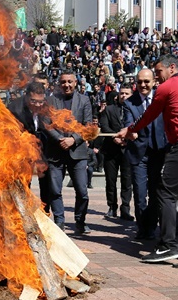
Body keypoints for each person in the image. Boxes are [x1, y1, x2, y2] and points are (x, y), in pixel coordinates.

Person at [117, 55, 178, 263]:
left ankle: (167, 245)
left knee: (165, 191)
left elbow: (150, 114)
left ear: (171, 68)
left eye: (159, 71)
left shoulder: (166, 87)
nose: (157, 76)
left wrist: (130, 129)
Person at [122, 68, 168, 240]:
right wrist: (130, 131)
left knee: (156, 191)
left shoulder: (161, 98)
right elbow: (128, 123)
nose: (143, 85)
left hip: (158, 151)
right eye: (139, 81)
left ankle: (152, 224)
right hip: (138, 153)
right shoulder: (129, 103)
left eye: (146, 81)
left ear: (154, 81)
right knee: (140, 193)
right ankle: (143, 228)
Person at [46, 70, 93, 234]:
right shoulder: (51, 100)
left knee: (82, 191)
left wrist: (73, 139)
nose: (66, 85)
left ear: (76, 83)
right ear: (59, 83)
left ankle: (80, 221)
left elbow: (88, 125)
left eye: (70, 82)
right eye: (63, 82)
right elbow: (46, 125)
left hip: (77, 152)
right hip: (56, 151)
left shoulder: (84, 100)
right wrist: (60, 139)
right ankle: (59, 222)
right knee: (55, 190)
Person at [99, 88, 134, 220]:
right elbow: (104, 125)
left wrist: (126, 139)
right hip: (111, 149)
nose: (124, 96)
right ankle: (112, 207)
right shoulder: (109, 109)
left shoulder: (134, 110)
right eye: (122, 93)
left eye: (127, 94)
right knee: (110, 180)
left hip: (128, 150)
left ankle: (125, 208)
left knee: (127, 180)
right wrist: (114, 137)